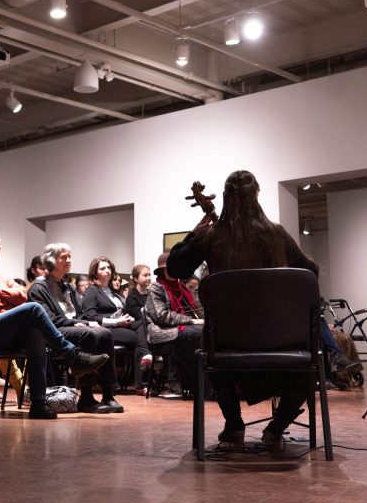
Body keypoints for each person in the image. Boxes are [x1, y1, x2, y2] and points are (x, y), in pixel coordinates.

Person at [167, 170, 319, 446]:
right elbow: (311, 273)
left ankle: (234, 423)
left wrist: (196, 231)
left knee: (210, 337)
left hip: (227, 344)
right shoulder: (276, 234)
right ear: (257, 195)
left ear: (225, 198)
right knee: (313, 356)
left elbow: (175, 267)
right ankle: (277, 427)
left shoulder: (211, 236)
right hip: (279, 342)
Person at [0, 224, 110, 419]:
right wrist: (6, 295)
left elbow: (21, 295)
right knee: (34, 309)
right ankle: (72, 355)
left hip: (5, 330)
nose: (0, 247)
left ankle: (38, 403)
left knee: (34, 331)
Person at [27, 243, 123, 413]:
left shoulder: (67, 287)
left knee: (105, 334)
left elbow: (81, 314)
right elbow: (48, 319)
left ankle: (108, 394)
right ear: (51, 260)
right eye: (63, 257)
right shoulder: (38, 287)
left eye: (69, 256)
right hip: (53, 332)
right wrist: (78, 323)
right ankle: (86, 397)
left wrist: (84, 322)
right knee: (87, 334)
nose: (68, 260)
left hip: (72, 328)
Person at [82, 256, 148, 391]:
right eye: (103, 268)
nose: (108, 271)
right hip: (105, 329)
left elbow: (118, 312)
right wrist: (117, 322)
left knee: (143, 326)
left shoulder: (113, 292)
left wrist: (125, 317)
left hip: (120, 325)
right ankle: (139, 382)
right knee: (138, 338)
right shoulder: (92, 291)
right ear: (95, 273)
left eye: (109, 268)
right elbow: (91, 316)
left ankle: (140, 379)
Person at [144, 252, 205, 398]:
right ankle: (199, 385)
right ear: (162, 271)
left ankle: (201, 384)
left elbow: (196, 309)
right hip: (162, 331)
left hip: (181, 328)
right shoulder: (156, 288)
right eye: (168, 268)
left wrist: (204, 319)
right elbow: (161, 316)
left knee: (207, 331)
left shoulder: (182, 287)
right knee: (199, 333)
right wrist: (191, 321)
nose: (172, 271)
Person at [124, 264, 155, 392]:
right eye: (145, 275)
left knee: (139, 346)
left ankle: (141, 385)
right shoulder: (132, 297)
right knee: (141, 324)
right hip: (135, 326)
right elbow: (139, 315)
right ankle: (146, 355)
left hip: (148, 327)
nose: (148, 278)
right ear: (136, 278)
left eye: (149, 275)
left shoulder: (152, 294)